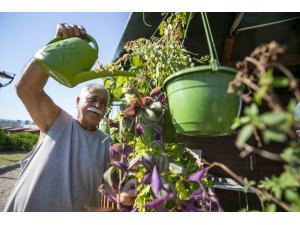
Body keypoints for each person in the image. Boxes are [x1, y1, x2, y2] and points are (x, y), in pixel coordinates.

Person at [4, 23, 131, 212]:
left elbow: (114, 187)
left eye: (104, 103)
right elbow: (26, 88)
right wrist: (55, 48)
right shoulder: (58, 121)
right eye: (93, 99)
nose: (98, 105)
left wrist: (127, 194)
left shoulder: (107, 144)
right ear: (78, 101)